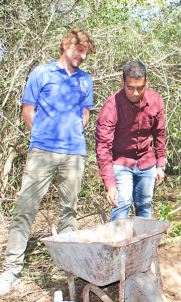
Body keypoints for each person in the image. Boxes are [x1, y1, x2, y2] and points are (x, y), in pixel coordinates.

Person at [0, 30, 95, 295]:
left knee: (69, 212)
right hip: (42, 151)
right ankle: (11, 271)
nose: (83, 56)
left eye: (86, 52)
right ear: (66, 44)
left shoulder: (86, 81)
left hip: (74, 154)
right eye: (80, 49)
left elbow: (85, 114)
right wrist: (42, 137)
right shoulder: (41, 74)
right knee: (25, 209)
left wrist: (74, 134)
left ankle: (69, 272)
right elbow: (27, 111)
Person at [95, 60, 166, 221]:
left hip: (146, 161)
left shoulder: (155, 101)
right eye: (130, 88)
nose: (135, 93)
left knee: (144, 205)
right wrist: (110, 185)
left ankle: (145, 245)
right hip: (121, 161)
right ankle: (117, 245)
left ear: (146, 82)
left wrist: (160, 164)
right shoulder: (111, 107)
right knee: (122, 202)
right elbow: (103, 147)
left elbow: (160, 133)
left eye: (140, 88)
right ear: (122, 82)